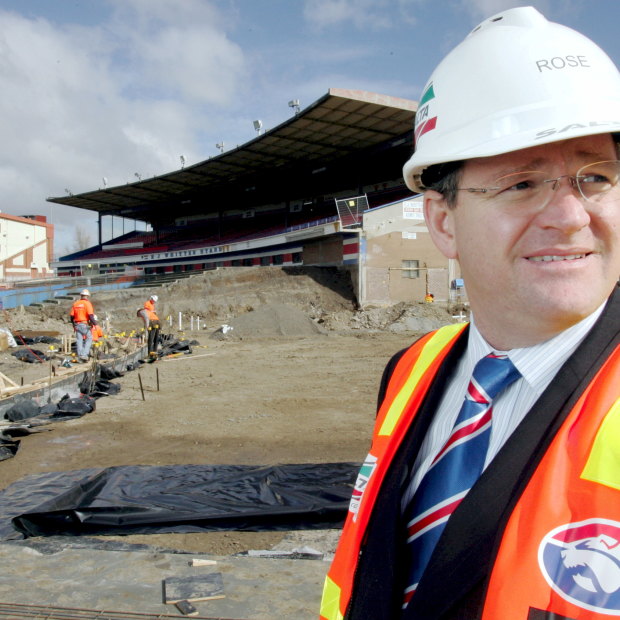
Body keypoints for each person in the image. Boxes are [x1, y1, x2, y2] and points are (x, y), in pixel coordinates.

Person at [321, 7, 620, 620]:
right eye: (521, 184)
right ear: (443, 221)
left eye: (595, 177)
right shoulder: (412, 369)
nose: (569, 216)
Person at [69, 289, 97, 363]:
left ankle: (80, 355)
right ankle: (84, 354)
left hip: (77, 324)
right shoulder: (87, 304)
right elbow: (90, 315)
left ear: (81, 295)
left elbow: (71, 316)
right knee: (89, 337)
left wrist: (73, 324)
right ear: (87, 296)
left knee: (79, 340)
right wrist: (95, 324)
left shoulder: (76, 303)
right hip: (84, 324)